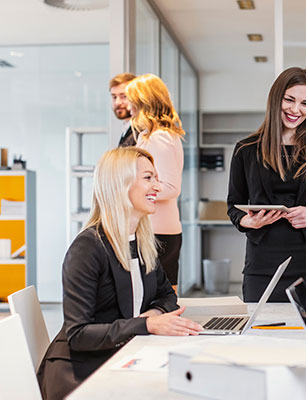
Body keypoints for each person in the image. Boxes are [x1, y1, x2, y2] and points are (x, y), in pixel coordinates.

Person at [36, 147, 201, 400]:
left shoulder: (142, 241)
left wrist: (153, 316)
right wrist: (145, 324)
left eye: (156, 177)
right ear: (119, 184)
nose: (158, 186)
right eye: (148, 178)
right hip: (79, 373)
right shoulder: (88, 248)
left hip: (120, 356)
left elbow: (168, 296)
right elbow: (78, 335)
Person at [227, 67, 306, 302]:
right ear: (276, 99)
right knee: (261, 334)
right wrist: (249, 221)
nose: (296, 110)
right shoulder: (246, 150)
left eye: (305, 104)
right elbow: (233, 206)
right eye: (289, 100)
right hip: (262, 264)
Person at [126, 74, 185, 292]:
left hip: (158, 231)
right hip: (155, 228)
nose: (128, 106)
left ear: (142, 102)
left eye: (130, 99)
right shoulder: (150, 135)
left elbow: (170, 187)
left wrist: (131, 192)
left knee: (161, 297)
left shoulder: (158, 137)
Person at [109, 72, 136, 147]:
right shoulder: (127, 129)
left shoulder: (141, 132)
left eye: (124, 96)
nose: (117, 103)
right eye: (114, 97)